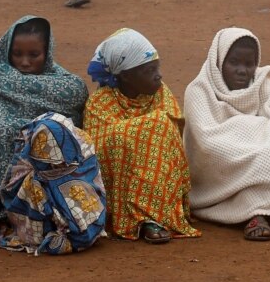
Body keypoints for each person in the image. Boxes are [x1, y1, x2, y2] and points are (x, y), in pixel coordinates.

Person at [0, 16, 89, 237]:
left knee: (55, 140)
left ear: (47, 53)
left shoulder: (69, 86)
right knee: (7, 136)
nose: (25, 62)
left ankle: (50, 209)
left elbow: (75, 106)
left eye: (34, 55)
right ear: (6, 50)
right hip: (0, 141)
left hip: (45, 144)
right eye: (17, 54)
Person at [184, 27, 270, 241]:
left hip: (262, 154)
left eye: (249, 64)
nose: (242, 70)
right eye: (234, 63)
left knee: (267, 154)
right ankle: (267, 212)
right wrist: (254, 130)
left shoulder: (264, 82)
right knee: (261, 157)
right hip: (221, 167)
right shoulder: (199, 90)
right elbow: (205, 141)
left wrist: (249, 138)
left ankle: (268, 211)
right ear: (219, 61)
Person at [84, 28, 200, 243]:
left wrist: (146, 131)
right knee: (153, 126)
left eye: (158, 67)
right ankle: (142, 218)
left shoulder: (160, 92)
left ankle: (157, 215)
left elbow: (173, 129)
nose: (159, 74)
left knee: (161, 127)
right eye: (150, 70)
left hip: (159, 173)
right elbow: (99, 148)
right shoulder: (99, 103)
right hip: (121, 181)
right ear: (126, 76)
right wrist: (144, 131)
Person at [0, 112, 107, 254]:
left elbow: (92, 182)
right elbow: (10, 191)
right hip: (42, 197)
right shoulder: (26, 162)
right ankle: (50, 230)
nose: (55, 168)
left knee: (79, 220)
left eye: (58, 165)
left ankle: (83, 228)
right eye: (51, 165)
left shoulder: (83, 145)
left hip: (79, 199)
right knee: (36, 187)